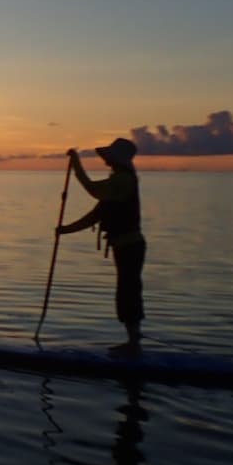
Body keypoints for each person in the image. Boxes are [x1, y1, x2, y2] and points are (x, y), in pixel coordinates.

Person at [56, 138, 145, 352]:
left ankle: (134, 343)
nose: (105, 160)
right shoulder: (116, 183)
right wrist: (66, 229)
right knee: (126, 291)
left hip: (130, 246)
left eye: (108, 157)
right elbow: (95, 215)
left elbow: (91, 188)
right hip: (123, 246)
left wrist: (76, 162)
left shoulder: (122, 181)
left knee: (128, 291)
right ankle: (133, 340)